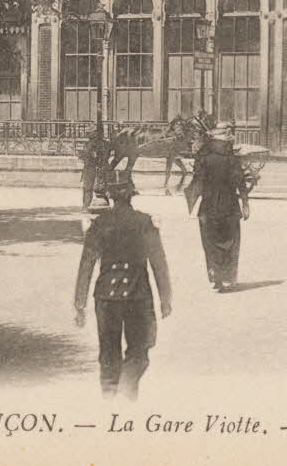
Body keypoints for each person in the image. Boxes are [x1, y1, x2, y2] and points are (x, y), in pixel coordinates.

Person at [73, 177, 173, 399]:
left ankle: (109, 397)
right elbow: (159, 263)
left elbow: (86, 264)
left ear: (110, 197)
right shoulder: (146, 222)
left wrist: (79, 305)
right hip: (138, 295)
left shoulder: (98, 224)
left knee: (108, 354)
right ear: (131, 196)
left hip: (105, 298)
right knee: (139, 352)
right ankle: (127, 394)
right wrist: (165, 299)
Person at [185, 135, 251, 292]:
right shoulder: (232, 160)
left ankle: (216, 276)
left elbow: (197, 181)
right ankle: (229, 276)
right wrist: (245, 203)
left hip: (208, 207)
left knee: (210, 242)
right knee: (231, 241)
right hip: (230, 207)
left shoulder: (205, 159)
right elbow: (240, 182)